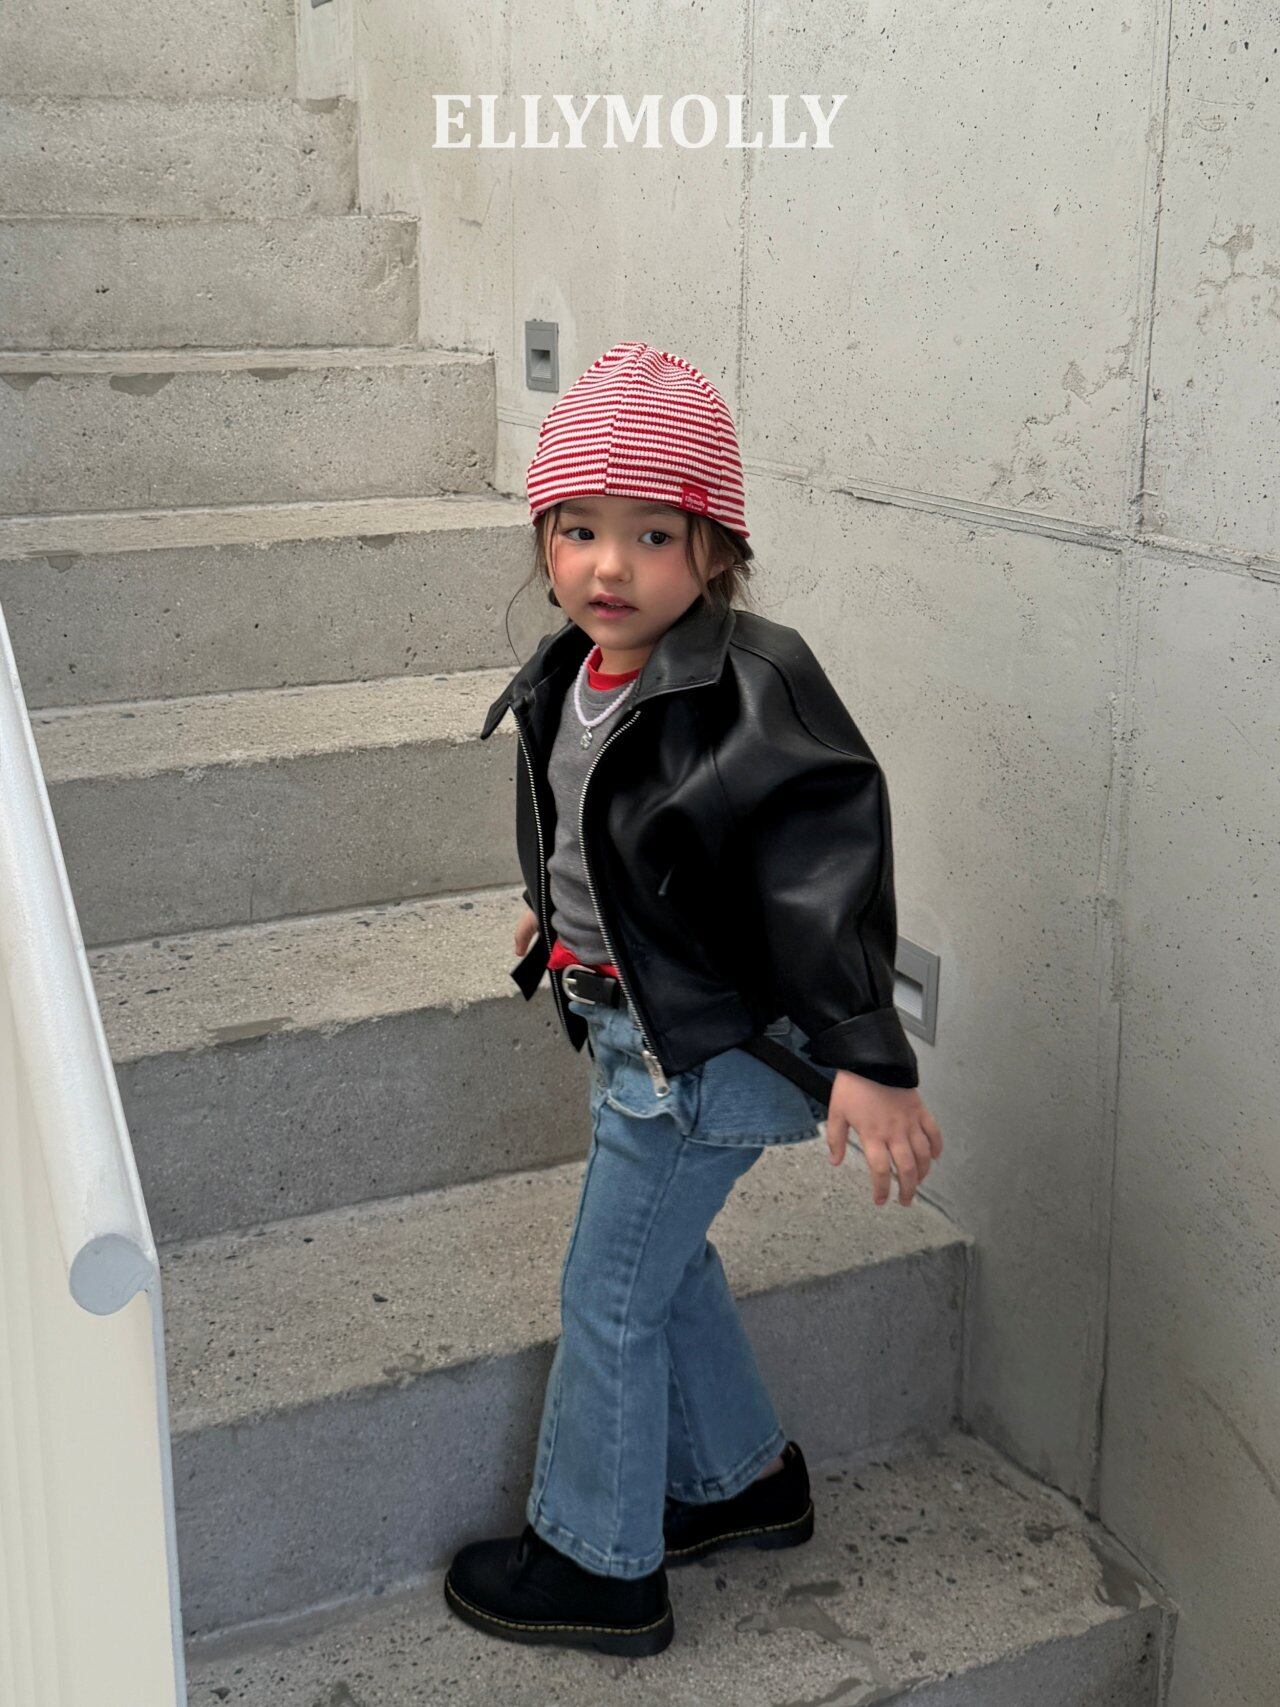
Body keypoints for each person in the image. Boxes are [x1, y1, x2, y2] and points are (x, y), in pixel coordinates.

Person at [443, 341, 943, 1659]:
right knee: (666, 1266)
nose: (609, 566)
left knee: (607, 1297)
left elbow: (820, 876)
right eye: (579, 530)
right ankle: (739, 1481)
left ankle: (596, 1563)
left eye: (653, 535)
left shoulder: (750, 686)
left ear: (714, 552)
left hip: (700, 1055)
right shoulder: (577, 668)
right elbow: (604, 833)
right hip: (629, 1024)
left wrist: (868, 1053)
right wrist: (558, 918)